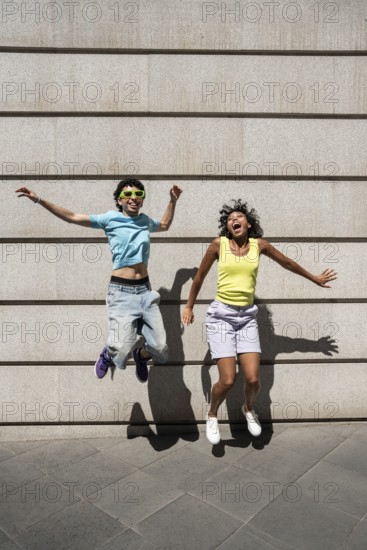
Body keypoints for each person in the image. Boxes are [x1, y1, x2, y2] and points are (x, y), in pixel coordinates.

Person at [182, 199, 337, 444]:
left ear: (248, 223)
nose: (234, 219)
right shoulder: (218, 245)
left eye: (239, 216)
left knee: (253, 378)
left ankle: (248, 408)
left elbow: (287, 262)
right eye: (230, 218)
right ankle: (212, 415)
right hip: (221, 316)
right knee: (228, 379)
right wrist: (189, 306)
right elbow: (199, 278)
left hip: (247, 319)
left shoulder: (259, 246)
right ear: (228, 226)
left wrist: (313, 278)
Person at [16, 179, 182, 382]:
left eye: (138, 195)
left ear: (142, 200)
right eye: (128, 195)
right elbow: (72, 217)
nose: (133, 199)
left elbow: (164, 225)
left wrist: (172, 200)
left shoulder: (145, 221)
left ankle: (141, 356)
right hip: (122, 293)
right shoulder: (110, 219)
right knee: (120, 350)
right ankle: (108, 353)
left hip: (145, 292)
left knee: (160, 349)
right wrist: (39, 199)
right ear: (119, 200)